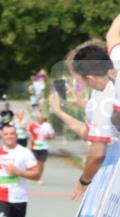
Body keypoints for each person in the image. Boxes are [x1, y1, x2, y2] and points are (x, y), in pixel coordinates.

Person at [50, 41, 118, 199]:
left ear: (89, 77)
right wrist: (82, 104)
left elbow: (97, 152)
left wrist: (83, 181)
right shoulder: (109, 85)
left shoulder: (103, 99)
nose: (75, 81)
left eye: (75, 75)